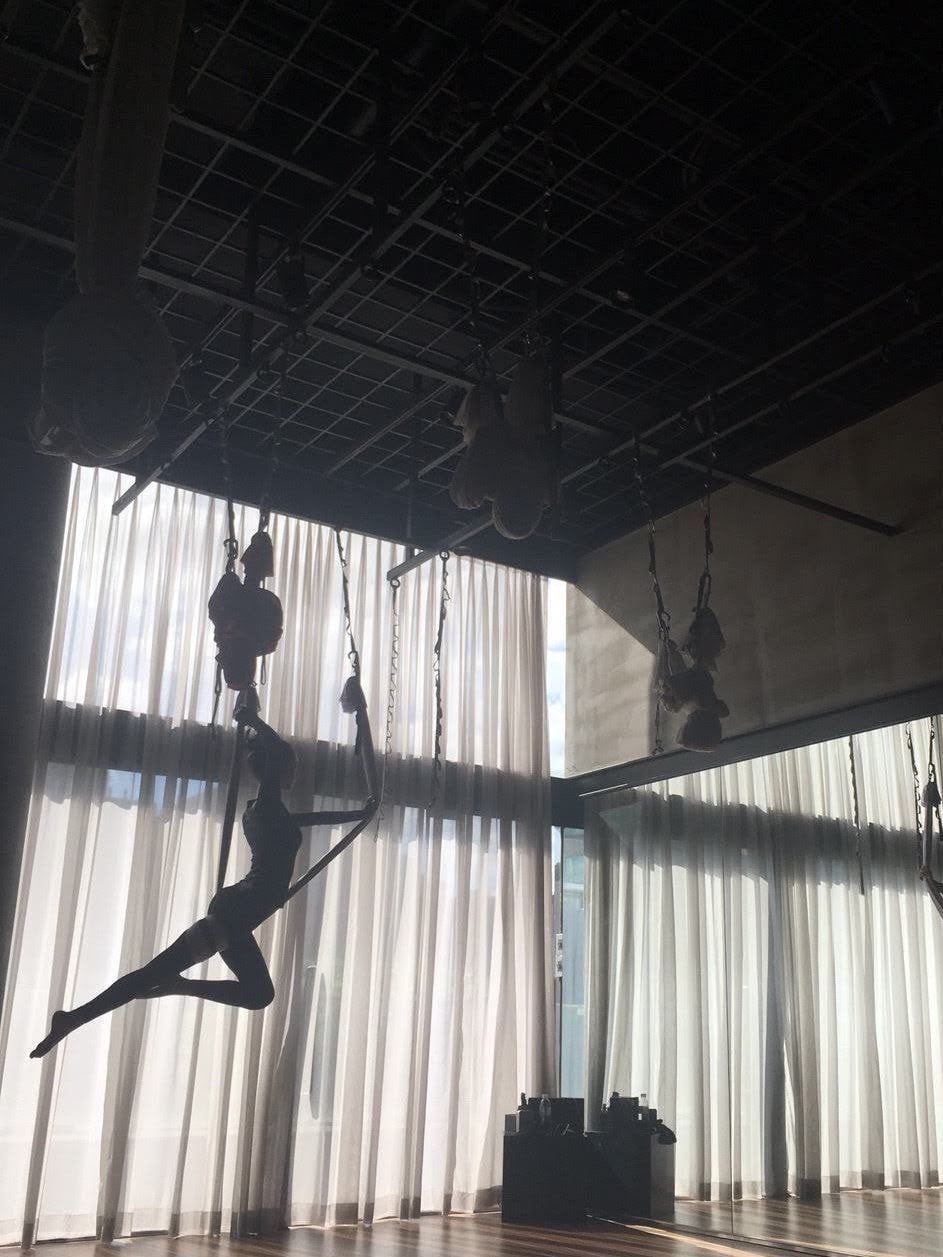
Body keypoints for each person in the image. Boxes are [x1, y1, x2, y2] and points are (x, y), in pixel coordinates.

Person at [31, 678, 377, 1059]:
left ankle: (174, 987)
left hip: (238, 914)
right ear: (278, 769)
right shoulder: (266, 805)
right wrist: (253, 721)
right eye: (292, 765)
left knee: (259, 994)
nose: (295, 771)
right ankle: (75, 1018)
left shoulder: (269, 814)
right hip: (235, 912)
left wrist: (357, 814)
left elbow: (308, 820)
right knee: (151, 975)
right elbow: (277, 751)